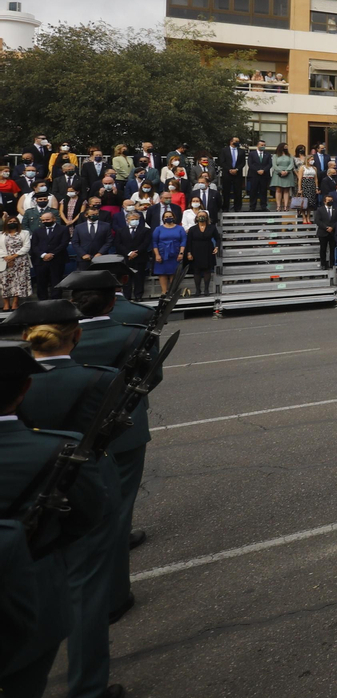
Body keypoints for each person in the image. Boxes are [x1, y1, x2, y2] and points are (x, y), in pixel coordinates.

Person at [9, 296, 127, 698]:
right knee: (86, 592)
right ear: (76, 336)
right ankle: (87, 689)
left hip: (16, 499)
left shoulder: (16, 380)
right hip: (80, 482)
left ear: (27, 338)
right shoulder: (101, 378)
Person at [61, 269, 160, 626]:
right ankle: (115, 595)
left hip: (73, 436)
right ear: (113, 297)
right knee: (118, 509)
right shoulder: (134, 329)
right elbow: (152, 377)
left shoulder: (63, 336)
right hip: (125, 429)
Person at [183, 211, 221, 295]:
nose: (202, 217)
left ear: (207, 217)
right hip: (195, 250)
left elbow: (218, 238)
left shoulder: (212, 227)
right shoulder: (192, 229)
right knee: (196, 271)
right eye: (200, 216)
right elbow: (189, 242)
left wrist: (217, 247)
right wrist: (189, 253)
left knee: (207, 270)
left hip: (208, 249)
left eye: (204, 216)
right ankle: (198, 290)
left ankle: (206, 289)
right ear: (196, 218)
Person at [150, 208, 186, 294]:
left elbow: (183, 241)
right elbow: (154, 242)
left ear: (174, 217)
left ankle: (172, 292)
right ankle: (164, 292)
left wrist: (181, 253)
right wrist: (157, 255)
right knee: (162, 273)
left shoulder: (180, 228)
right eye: (166, 216)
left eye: (170, 216)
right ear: (163, 218)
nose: (168, 218)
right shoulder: (158, 229)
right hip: (162, 253)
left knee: (174, 273)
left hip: (175, 253)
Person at [1, 217, 29, 310]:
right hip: (5, 261)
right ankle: (6, 304)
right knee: (5, 283)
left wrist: (13, 256)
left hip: (20, 261)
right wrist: (7, 258)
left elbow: (26, 247)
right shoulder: (1, 234)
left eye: (14, 221)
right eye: (10, 221)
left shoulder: (25, 233)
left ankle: (15, 303)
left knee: (19, 282)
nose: (12, 223)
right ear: (6, 223)